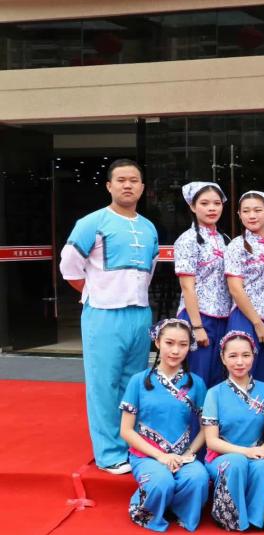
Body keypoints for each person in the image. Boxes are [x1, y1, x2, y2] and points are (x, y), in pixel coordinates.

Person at [60, 158, 160, 475]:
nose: (127, 185)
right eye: (121, 180)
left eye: (133, 180)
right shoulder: (92, 222)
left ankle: (132, 443)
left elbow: (149, 271)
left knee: (133, 383)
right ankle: (109, 453)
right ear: (109, 186)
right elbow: (69, 267)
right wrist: (95, 292)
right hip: (103, 314)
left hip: (139, 313)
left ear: (142, 187)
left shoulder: (148, 227)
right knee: (104, 385)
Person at [119, 319, 208, 531]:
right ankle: (146, 505)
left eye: (183, 345)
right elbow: (126, 430)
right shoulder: (138, 381)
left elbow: (207, 428)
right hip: (147, 455)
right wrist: (161, 456)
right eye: (169, 343)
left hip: (182, 455)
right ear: (157, 342)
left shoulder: (196, 383)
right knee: (161, 482)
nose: (175, 351)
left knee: (198, 478)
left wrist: (188, 454)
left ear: (189, 347)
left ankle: (177, 510)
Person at [202, 330, 264, 532]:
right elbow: (212, 441)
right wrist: (247, 452)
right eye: (233, 356)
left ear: (254, 356)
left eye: (246, 355)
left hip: (259, 452)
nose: (240, 362)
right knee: (236, 463)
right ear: (223, 358)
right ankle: (231, 518)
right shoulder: (214, 393)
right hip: (223, 455)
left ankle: (256, 519)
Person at [174, 181, 231, 386]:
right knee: (197, 377)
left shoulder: (225, 239)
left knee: (219, 376)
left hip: (223, 316)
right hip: (198, 316)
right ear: (192, 206)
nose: (212, 208)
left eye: (217, 203)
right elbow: (187, 286)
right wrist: (197, 326)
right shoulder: (187, 240)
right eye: (205, 203)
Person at [225, 190, 264, 383]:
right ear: (239, 215)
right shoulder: (236, 245)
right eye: (246, 211)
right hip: (245, 318)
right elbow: (235, 288)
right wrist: (257, 323)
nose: (252, 215)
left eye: (257, 210)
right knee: (242, 374)